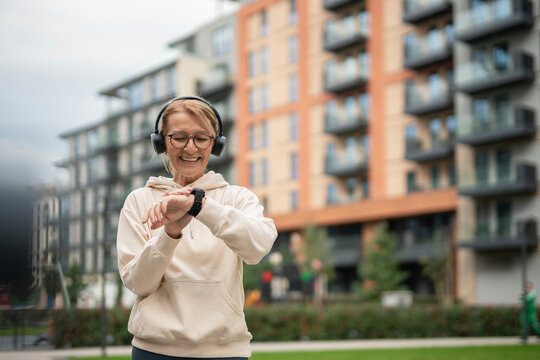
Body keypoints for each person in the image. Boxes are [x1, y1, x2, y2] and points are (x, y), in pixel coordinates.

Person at [116, 96, 277, 360]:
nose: (190, 148)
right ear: (161, 143)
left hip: (225, 352)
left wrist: (199, 206)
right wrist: (169, 234)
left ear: (216, 144)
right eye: (179, 137)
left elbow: (257, 248)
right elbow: (139, 284)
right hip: (154, 352)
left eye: (202, 138)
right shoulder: (140, 201)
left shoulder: (237, 199)